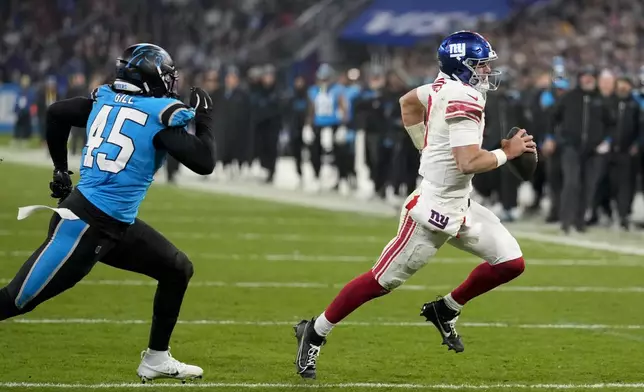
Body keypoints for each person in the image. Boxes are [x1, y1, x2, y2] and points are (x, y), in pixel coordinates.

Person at [293, 31, 534, 379]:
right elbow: (468, 162)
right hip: (431, 210)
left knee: (511, 264)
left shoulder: (441, 86)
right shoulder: (464, 96)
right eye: (480, 64)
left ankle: (446, 308)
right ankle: (314, 332)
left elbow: (408, 103)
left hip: (459, 204)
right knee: (380, 282)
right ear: (462, 66)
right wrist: (506, 153)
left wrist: (424, 147)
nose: (486, 71)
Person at [0, 43, 215, 383]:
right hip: (84, 226)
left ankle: (156, 359)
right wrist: (204, 120)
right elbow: (205, 163)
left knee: (177, 268)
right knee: (14, 300)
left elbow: (56, 113)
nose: (171, 83)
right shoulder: (158, 115)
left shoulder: (104, 99)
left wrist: (60, 169)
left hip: (113, 223)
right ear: (153, 78)